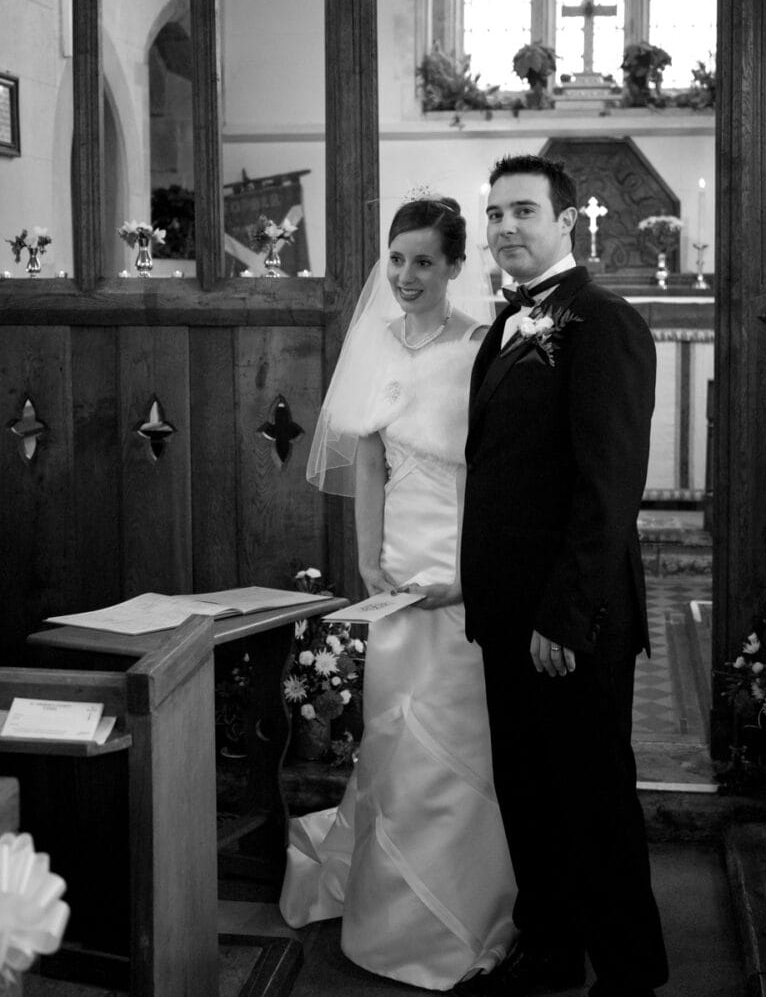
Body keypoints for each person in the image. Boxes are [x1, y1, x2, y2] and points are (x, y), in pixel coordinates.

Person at [279, 194, 517, 992]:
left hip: (461, 570)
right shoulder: (374, 344)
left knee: (462, 742)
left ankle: (467, 918)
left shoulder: (485, 347)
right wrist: (368, 565)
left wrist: (473, 576)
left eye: (424, 260)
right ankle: (386, 920)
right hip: (396, 575)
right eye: (397, 259)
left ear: (455, 266)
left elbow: (496, 477)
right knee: (390, 738)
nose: (408, 275)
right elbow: (371, 465)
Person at [457, 155, 669, 997]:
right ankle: (548, 953)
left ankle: (629, 972)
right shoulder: (509, 323)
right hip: (507, 610)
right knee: (528, 789)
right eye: (496, 214)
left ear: (566, 219)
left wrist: (562, 614)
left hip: (567, 619)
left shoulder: (600, 320)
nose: (506, 227)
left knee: (591, 796)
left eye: (523, 212)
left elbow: (608, 486)